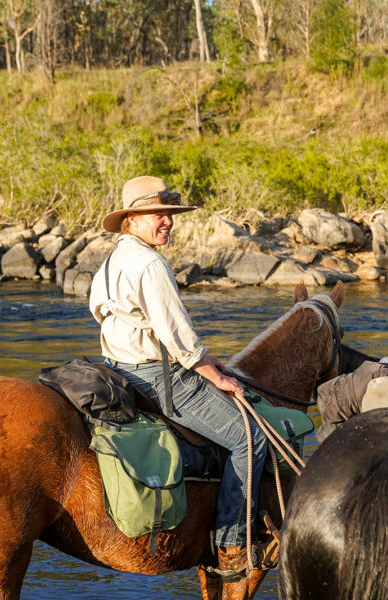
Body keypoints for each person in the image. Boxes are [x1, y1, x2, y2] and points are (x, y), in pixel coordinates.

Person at [89, 175, 268, 573]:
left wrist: (204, 357)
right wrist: (214, 374)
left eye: (169, 214)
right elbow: (176, 334)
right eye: (158, 214)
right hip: (157, 378)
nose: (167, 221)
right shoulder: (151, 264)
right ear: (132, 219)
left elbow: (104, 314)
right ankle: (233, 542)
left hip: (118, 370)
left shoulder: (110, 262)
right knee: (250, 439)